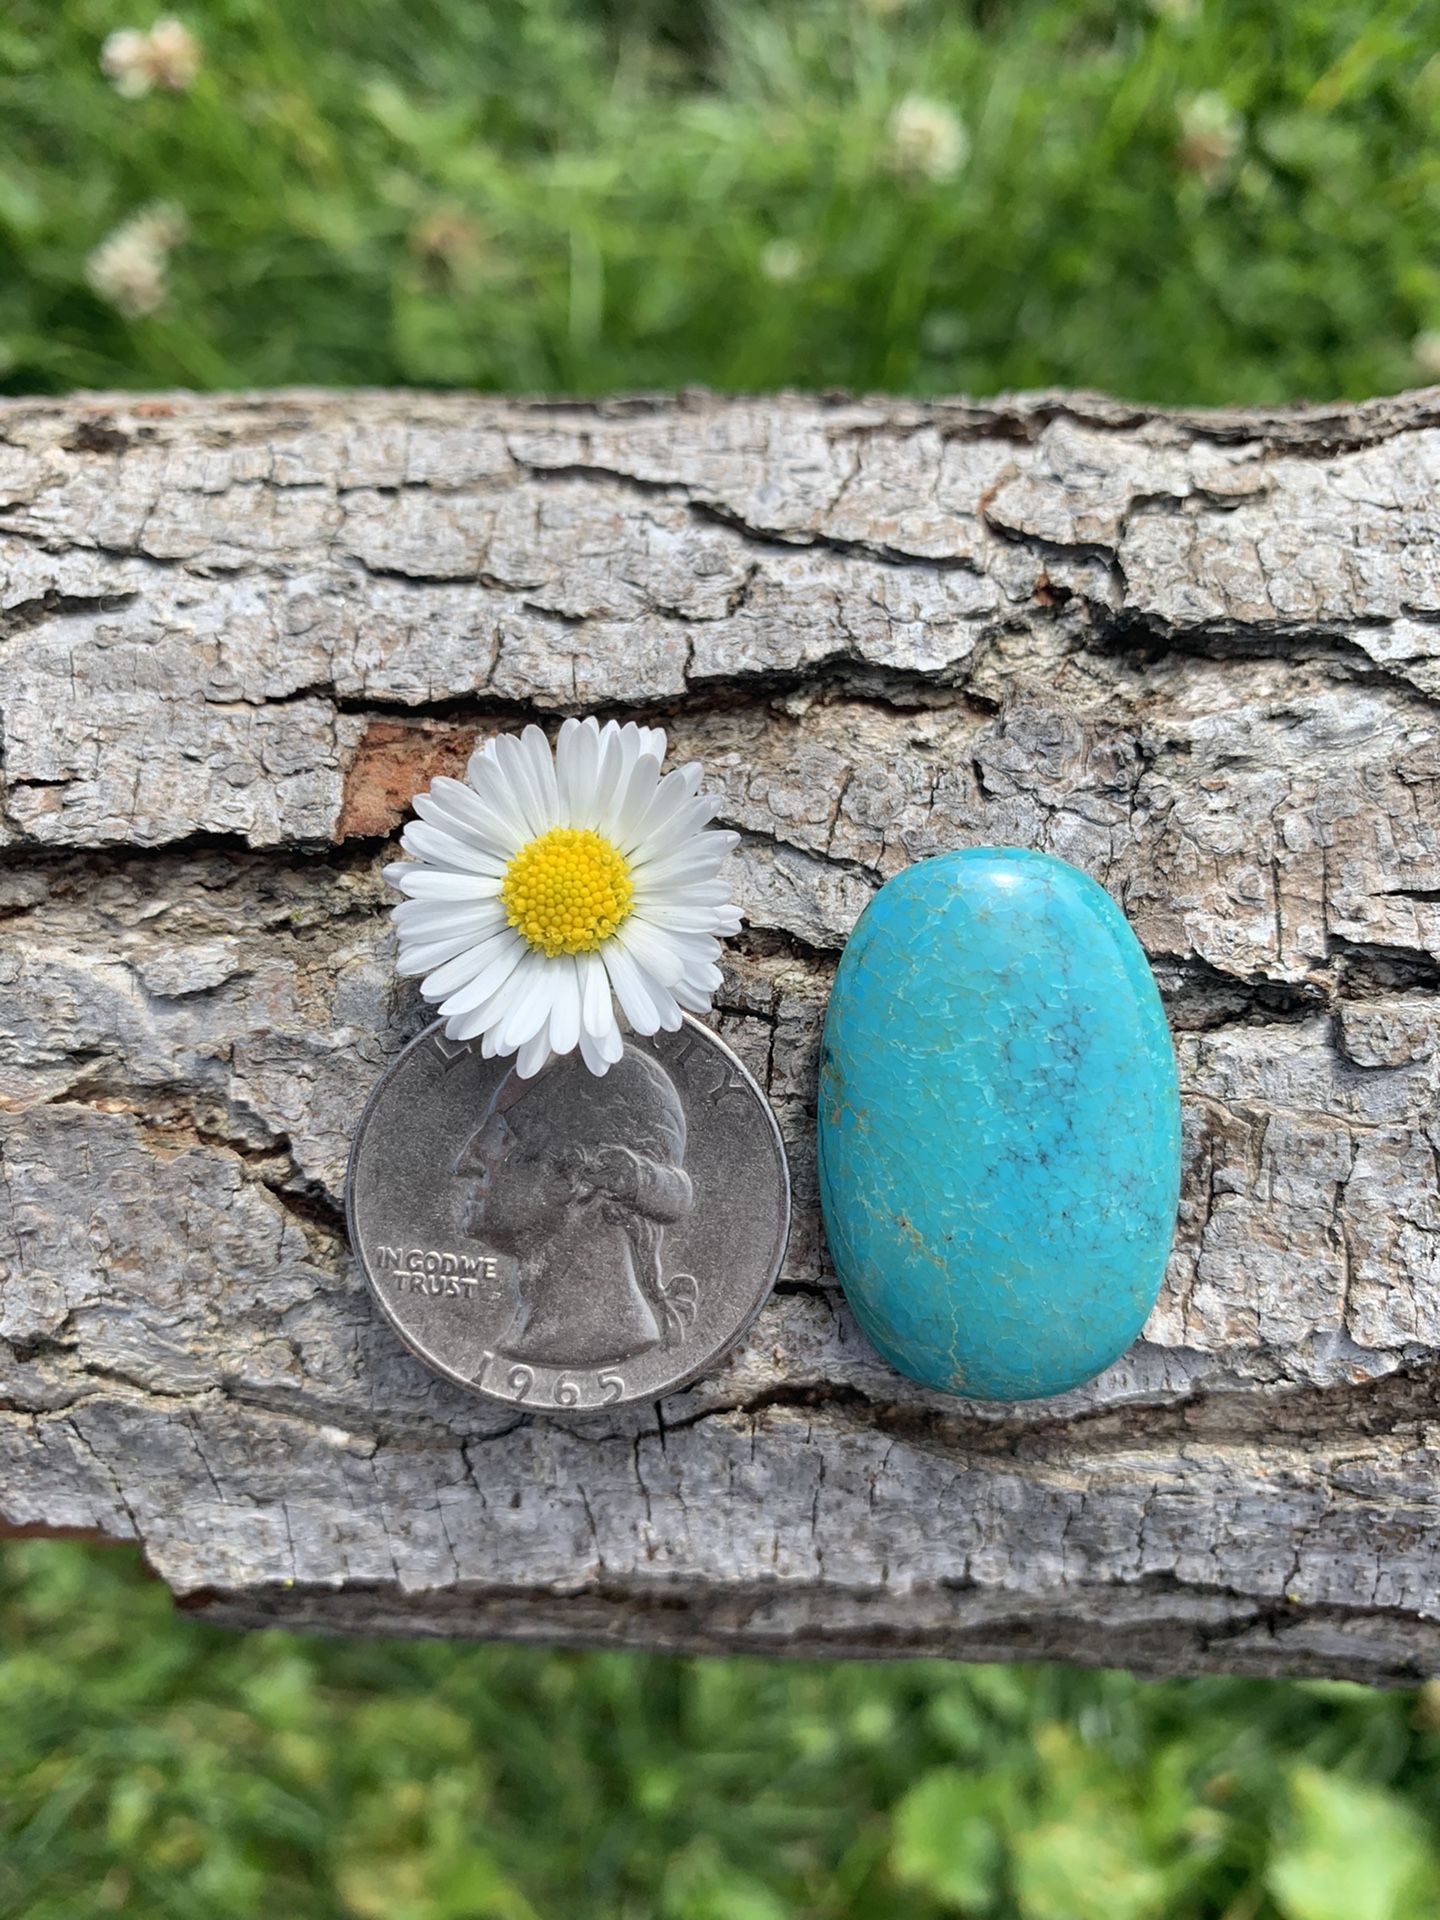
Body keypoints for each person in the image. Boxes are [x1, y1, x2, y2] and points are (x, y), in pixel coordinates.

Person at [453, 1043, 696, 1368]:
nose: (464, 1161)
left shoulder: (589, 1335)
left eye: (500, 1134)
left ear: (580, 1177)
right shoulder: (542, 1334)